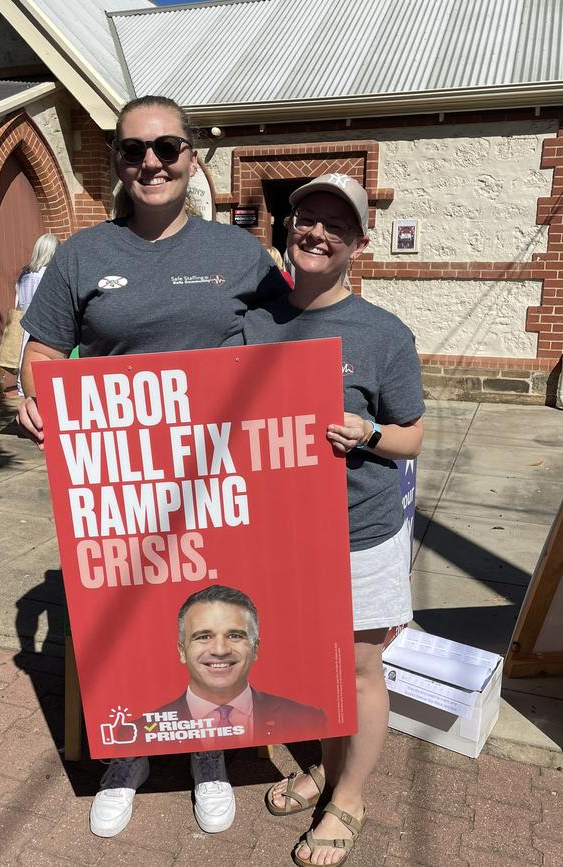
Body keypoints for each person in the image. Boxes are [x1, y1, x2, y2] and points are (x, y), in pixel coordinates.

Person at [16, 94, 288, 839]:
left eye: (167, 147)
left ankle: (209, 752)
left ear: (191, 156)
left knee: (213, 616)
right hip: (123, 479)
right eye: (134, 150)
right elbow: (41, 350)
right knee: (127, 615)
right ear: (119, 162)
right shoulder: (82, 256)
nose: (151, 163)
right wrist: (31, 393)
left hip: (221, 477)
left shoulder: (239, 256)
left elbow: (288, 352)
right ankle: (128, 752)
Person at [243, 174, 425, 867]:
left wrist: (368, 433)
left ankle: (349, 797)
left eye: (335, 225)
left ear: (359, 243)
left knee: (357, 668)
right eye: (306, 218)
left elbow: (412, 433)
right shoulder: (257, 321)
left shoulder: (384, 334)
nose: (316, 232)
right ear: (290, 228)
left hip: (360, 531)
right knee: (314, 667)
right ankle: (323, 766)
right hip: (285, 531)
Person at [161, 585, 328, 741]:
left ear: (255, 648)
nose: (220, 650)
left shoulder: (308, 720)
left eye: (235, 636)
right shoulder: (142, 733)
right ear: (182, 651)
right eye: (204, 637)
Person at [15, 234, 60, 396]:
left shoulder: (24, 274)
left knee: (23, 359)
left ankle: (22, 393)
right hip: (45, 324)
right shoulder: (50, 274)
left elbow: (18, 302)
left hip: (24, 322)